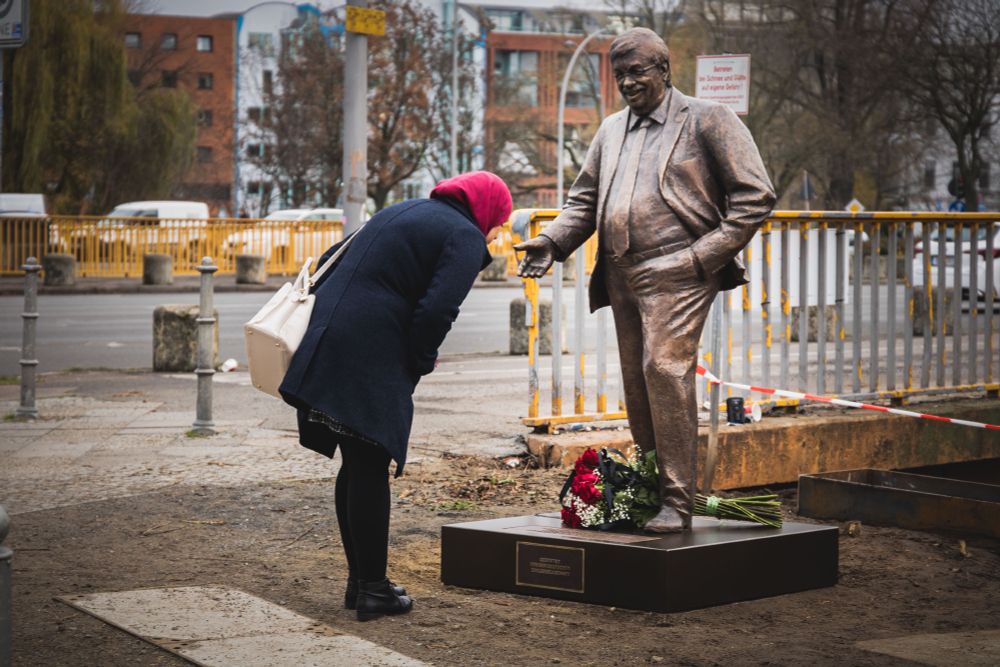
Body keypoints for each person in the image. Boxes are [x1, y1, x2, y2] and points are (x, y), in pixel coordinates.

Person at [516, 28, 775, 533]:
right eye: (620, 75)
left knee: (664, 370)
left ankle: (678, 502)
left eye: (638, 72)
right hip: (621, 273)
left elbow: (755, 197)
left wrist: (699, 259)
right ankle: (652, 488)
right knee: (638, 385)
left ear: (664, 70)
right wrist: (551, 241)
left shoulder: (708, 119)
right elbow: (584, 201)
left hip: (679, 271)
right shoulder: (611, 130)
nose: (629, 83)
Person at [280, 171, 513, 620]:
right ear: (486, 209)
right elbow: (437, 310)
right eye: (500, 220)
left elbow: (333, 257)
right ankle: (373, 588)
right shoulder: (463, 236)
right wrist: (419, 360)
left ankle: (360, 581)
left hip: (330, 335)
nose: (498, 231)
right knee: (370, 461)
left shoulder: (405, 209)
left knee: (357, 461)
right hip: (369, 348)